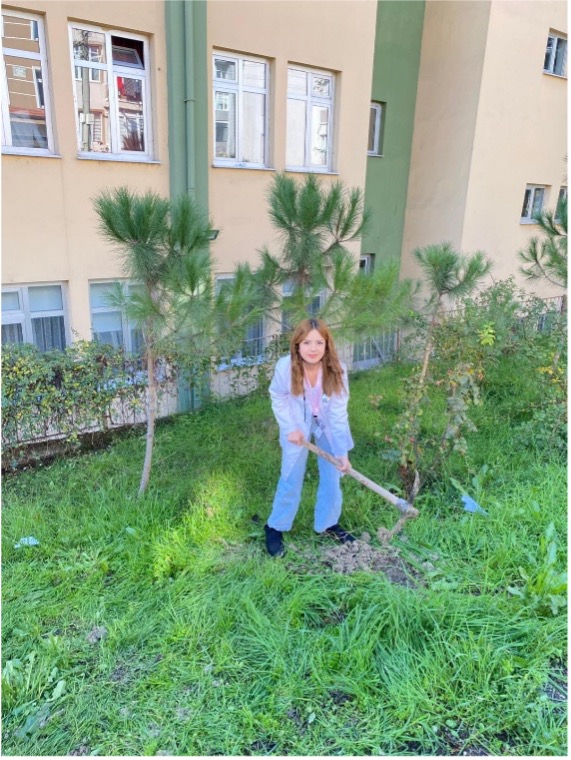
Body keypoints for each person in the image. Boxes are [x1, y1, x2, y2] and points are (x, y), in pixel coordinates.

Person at [264, 318, 356, 557]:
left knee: (333, 475)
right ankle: (275, 526)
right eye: (306, 342)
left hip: (327, 424)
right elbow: (278, 396)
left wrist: (341, 452)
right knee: (291, 474)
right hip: (296, 423)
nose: (312, 349)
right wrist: (290, 428)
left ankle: (328, 524)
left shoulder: (337, 369)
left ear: (327, 345)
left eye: (318, 342)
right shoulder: (285, 367)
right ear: (297, 345)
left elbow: (338, 413)